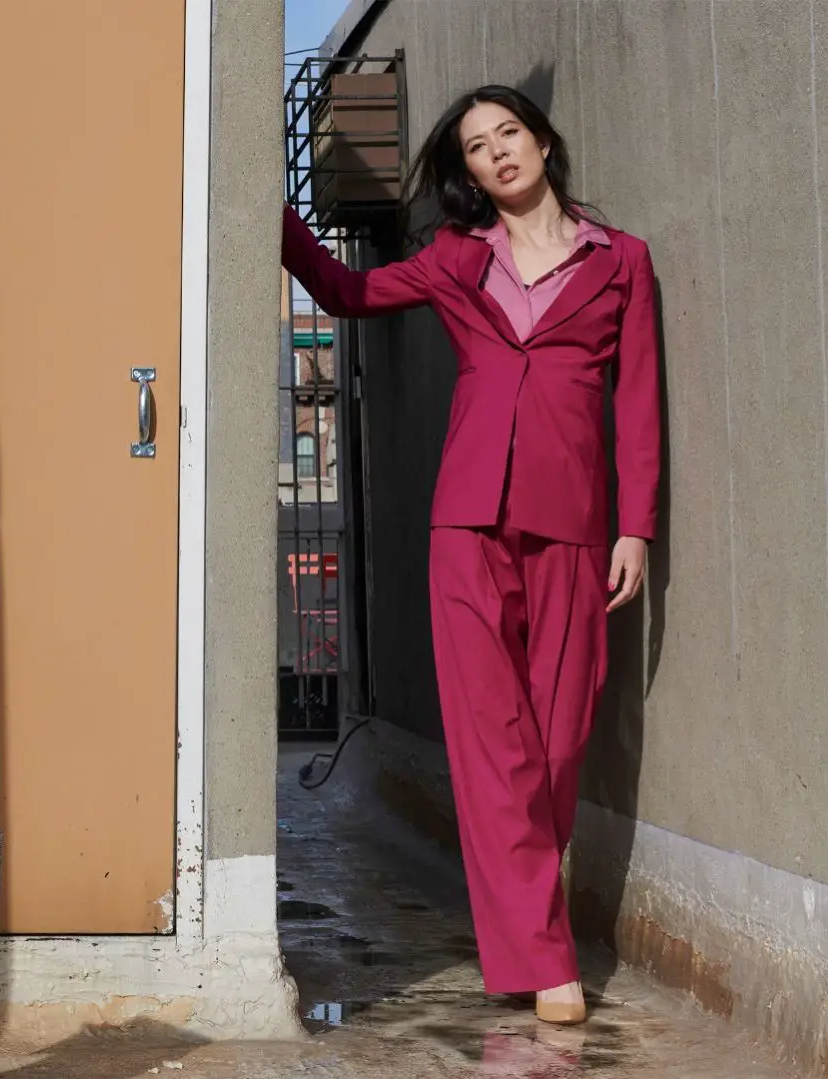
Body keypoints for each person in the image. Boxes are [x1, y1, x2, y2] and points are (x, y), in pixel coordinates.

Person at [281, 84, 659, 1025]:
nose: (497, 152)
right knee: (492, 743)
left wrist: (635, 525)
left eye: (509, 133)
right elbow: (346, 293)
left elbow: (637, 397)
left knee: (557, 740)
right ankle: (544, 956)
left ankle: (521, 930)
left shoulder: (620, 261)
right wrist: (268, 210)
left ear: (542, 142)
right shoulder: (455, 259)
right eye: (477, 147)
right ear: (468, 175)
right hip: (467, 522)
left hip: (574, 521)